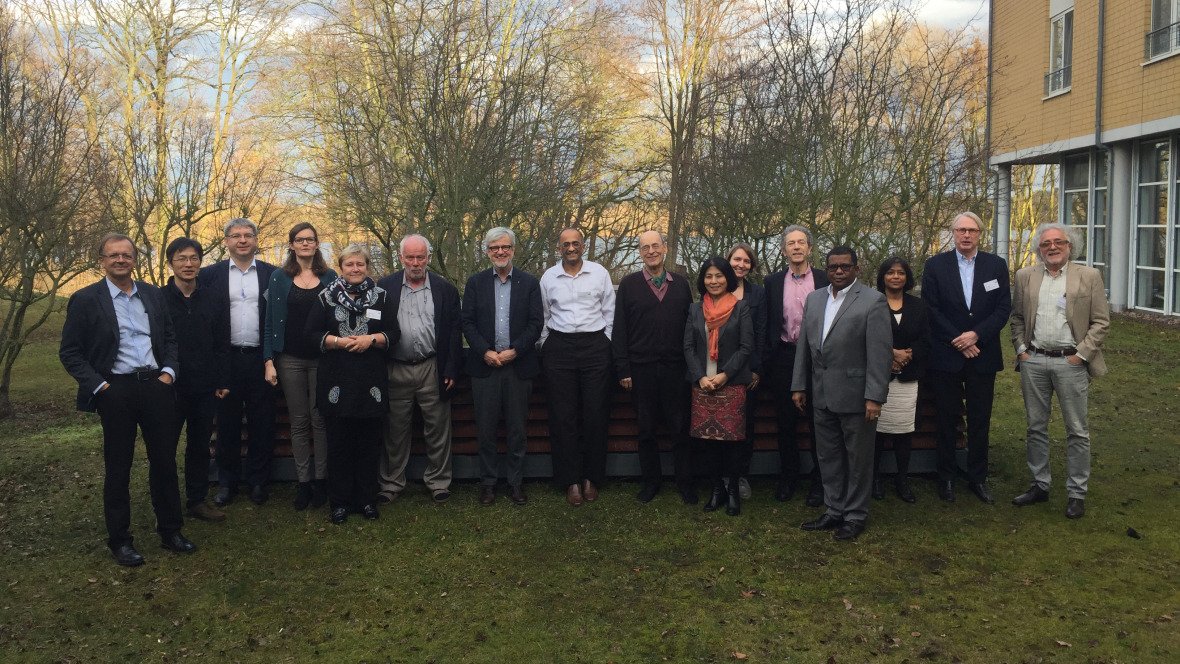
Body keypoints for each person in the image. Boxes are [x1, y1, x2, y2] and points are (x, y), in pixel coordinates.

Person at [59, 234, 195, 566]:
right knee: (118, 465)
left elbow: (170, 338)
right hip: (115, 390)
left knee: (164, 461)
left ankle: (170, 531)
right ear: (101, 261)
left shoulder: (151, 294)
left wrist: (169, 373)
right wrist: (100, 386)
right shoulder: (86, 299)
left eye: (127, 255)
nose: (121, 260)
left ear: (135, 259)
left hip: (155, 386)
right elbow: (70, 353)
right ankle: (120, 540)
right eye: (113, 255)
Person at [1010, 224, 1110, 519]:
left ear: (1070, 246)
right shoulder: (1025, 276)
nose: (1052, 247)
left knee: (1077, 430)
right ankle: (1040, 485)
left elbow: (1101, 322)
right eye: (1045, 244)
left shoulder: (1088, 276)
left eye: (1059, 242)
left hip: (1071, 362)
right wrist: (1021, 350)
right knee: (1035, 427)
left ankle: (1076, 493)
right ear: (1038, 249)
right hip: (1035, 362)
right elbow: (1016, 318)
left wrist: (1081, 355)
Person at [792, 247, 893, 541]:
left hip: (856, 396)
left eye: (845, 267)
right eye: (833, 267)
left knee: (858, 459)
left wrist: (875, 396)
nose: (838, 271)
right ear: (826, 269)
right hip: (821, 394)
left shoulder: (873, 301)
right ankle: (834, 509)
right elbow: (804, 348)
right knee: (828, 456)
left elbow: (880, 354)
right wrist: (799, 385)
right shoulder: (814, 298)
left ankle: (855, 515)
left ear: (856, 269)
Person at [921, 211, 1011, 504]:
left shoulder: (996, 265)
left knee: (980, 419)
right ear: (953, 233)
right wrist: (959, 340)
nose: (966, 235)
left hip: (982, 354)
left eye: (972, 230)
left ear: (980, 234)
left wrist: (976, 336)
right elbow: (930, 309)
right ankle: (946, 477)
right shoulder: (935, 265)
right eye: (961, 230)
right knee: (945, 418)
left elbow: (1002, 308)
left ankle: (978, 478)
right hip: (947, 355)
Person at [308, 244, 399, 524]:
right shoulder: (325, 297)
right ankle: (340, 502)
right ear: (341, 267)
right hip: (336, 381)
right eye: (349, 265)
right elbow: (310, 334)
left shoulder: (382, 297)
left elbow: (394, 333)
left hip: (370, 382)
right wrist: (338, 342)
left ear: (367, 266)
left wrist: (371, 339)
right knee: (339, 445)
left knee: (369, 444)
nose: (355, 269)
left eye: (360, 264)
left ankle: (367, 500)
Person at [375, 235, 462, 504]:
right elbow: (373, 327)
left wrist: (451, 368)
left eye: (420, 257)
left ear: (428, 258)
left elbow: (453, 333)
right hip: (395, 367)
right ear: (401, 258)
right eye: (410, 257)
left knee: (437, 429)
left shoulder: (445, 289)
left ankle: (439, 482)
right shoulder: (384, 286)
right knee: (394, 430)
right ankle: (390, 485)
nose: (415, 263)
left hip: (432, 366)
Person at [461, 227, 544, 506]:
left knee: (517, 429)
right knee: (485, 429)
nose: (500, 252)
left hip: (517, 366)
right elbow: (467, 323)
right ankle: (488, 483)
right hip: (485, 366)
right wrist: (485, 351)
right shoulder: (475, 283)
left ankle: (516, 482)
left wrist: (514, 351)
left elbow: (536, 323)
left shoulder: (530, 283)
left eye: (505, 247)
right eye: (494, 248)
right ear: (486, 251)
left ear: (513, 250)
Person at [199, 218, 278, 507]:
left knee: (263, 422)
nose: (242, 240)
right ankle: (227, 482)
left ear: (256, 240)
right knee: (227, 424)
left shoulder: (273, 274)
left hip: (262, 359)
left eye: (248, 235)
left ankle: (258, 481)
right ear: (226, 242)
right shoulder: (209, 275)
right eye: (235, 236)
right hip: (226, 360)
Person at [614, 231, 696, 504]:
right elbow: (620, 330)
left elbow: (691, 329)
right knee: (646, 430)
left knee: (680, 429)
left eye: (655, 246)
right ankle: (651, 483)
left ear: (665, 248)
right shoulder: (629, 285)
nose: (651, 251)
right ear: (639, 252)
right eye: (645, 247)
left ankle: (685, 483)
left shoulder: (682, 284)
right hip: (641, 370)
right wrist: (623, 369)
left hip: (676, 370)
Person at [538, 227, 616, 506]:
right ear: (558, 249)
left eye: (576, 243)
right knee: (563, 416)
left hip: (595, 346)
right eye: (565, 245)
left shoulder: (599, 273)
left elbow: (610, 312)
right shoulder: (549, 276)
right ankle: (570, 480)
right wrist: (547, 344)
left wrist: (605, 343)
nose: (571, 248)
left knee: (596, 414)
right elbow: (544, 314)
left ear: (584, 246)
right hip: (559, 348)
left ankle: (591, 478)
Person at [263, 222, 337, 511]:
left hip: (323, 358)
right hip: (289, 359)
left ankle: (322, 480)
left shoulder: (330, 277)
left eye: (310, 239)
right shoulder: (278, 278)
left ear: (317, 245)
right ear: (291, 245)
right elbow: (270, 321)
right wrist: (269, 360)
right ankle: (303, 482)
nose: (305, 243)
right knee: (299, 421)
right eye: (299, 239)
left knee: (320, 419)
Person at [162, 238, 230, 523]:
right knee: (164, 447)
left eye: (193, 258)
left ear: (200, 262)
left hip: (204, 385)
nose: (188, 264)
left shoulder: (213, 297)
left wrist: (222, 379)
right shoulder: (158, 299)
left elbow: (222, 342)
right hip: (169, 386)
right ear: (170, 264)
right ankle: (165, 505)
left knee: (200, 445)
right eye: (181, 259)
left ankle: (197, 500)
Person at [764, 225, 828, 505]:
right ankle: (788, 477)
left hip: (819, 356)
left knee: (820, 422)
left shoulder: (827, 279)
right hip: (785, 357)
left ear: (810, 248)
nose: (797, 247)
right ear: (783, 250)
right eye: (791, 243)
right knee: (786, 422)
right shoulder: (772, 281)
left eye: (802, 242)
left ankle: (820, 481)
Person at [684, 257, 753, 516]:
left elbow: (746, 347)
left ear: (728, 278)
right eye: (709, 276)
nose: (714, 281)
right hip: (702, 386)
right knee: (709, 442)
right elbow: (688, 347)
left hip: (731, 384)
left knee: (732, 442)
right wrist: (700, 376)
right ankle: (716, 490)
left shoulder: (740, 308)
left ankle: (733, 490)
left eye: (719, 276)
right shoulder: (694, 309)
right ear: (703, 280)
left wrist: (724, 375)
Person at [871, 257, 929, 503]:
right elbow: (865, 337)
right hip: (877, 377)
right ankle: (873, 479)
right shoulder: (871, 304)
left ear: (907, 278)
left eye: (901, 273)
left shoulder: (919, 306)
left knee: (903, 431)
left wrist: (907, 355)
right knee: (875, 432)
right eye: (891, 272)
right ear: (882, 276)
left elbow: (927, 338)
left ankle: (902, 479)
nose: (896, 277)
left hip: (908, 377)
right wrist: (890, 354)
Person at [727, 242, 767, 500]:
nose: (741, 265)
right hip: (717, 371)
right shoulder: (714, 288)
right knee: (719, 424)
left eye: (746, 261)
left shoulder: (758, 294)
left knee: (744, 426)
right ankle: (720, 475)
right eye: (736, 259)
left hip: (747, 372)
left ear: (751, 266)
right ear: (728, 260)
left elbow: (762, 332)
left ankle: (741, 476)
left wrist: (756, 369)